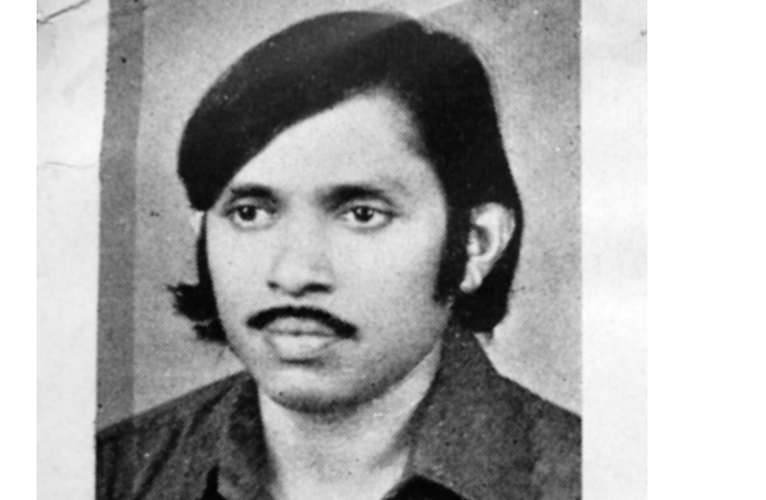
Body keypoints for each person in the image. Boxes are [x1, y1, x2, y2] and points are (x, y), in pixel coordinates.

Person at [97, 11, 580, 500]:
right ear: (202, 235)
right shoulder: (107, 477)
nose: (294, 274)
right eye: (249, 213)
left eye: (362, 214)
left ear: (476, 243)